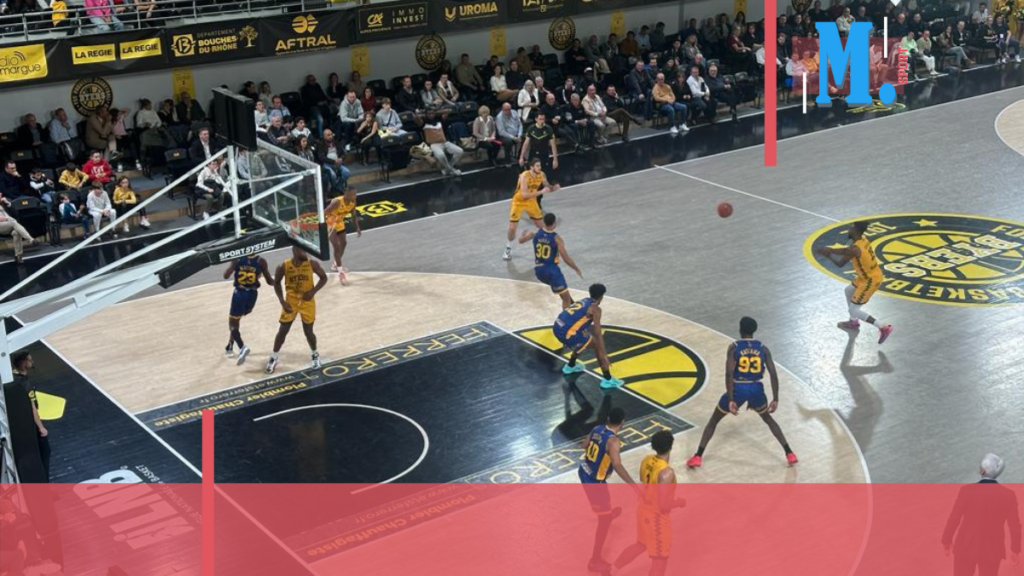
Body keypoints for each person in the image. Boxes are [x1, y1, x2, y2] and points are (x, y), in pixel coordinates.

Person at [685, 316, 798, 468]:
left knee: (713, 421)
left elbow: (729, 374)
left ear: (740, 329)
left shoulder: (734, 347)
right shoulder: (763, 348)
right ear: (754, 330)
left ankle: (698, 456)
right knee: (768, 419)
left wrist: (731, 398)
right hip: (756, 388)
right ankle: (789, 453)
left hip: (739, 387)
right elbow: (773, 374)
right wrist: (775, 398)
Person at [606, 431, 686, 576]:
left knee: (640, 545)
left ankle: (611, 571)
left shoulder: (647, 460)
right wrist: (679, 502)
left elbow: (644, 482)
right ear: (671, 447)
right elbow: (663, 505)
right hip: (657, 519)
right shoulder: (666, 473)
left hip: (643, 510)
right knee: (660, 561)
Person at [578, 407, 641, 574]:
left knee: (604, 509)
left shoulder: (597, 428)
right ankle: (594, 560)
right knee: (604, 521)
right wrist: (635, 487)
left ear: (607, 419)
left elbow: (584, 445)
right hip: (595, 482)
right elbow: (618, 465)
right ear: (622, 422)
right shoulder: (613, 441)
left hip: (583, 471)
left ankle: (606, 513)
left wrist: (596, 451)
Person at [942, 453, 1022, 576]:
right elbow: (1015, 526)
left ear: (981, 470)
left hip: (965, 546)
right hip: (993, 549)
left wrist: (946, 540)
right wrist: (1015, 550)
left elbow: (954, 518)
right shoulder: (1008, 495)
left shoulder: (966, 491)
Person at [817, 221, 893, 343]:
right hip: (867, 276)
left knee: (854, 310)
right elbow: (841, 263)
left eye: (851, 228)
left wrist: (829, 251)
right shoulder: (861, 240)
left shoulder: (855, 249)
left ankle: (883, 327)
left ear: (856, 231)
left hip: (870, 280)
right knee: (848, 291)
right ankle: (853, 322)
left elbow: (843, 252)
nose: (848, 230)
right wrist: (829, 255)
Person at [266, 245, 328, 374]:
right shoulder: (283, 266)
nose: (305, 252)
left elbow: (324, 278)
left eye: (305, 250)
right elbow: (276, 283)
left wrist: (313, 292)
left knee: (308, 331)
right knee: (283, 330)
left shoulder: (312, 263)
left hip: (307, 300)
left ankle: (315, 355)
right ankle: (274, 357)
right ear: (295, 250)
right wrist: (282, 302)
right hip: (291, 301)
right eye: (302, 250)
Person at [554, 283, 623, 388]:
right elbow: (598, 333)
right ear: (601, 296)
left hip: (556, 328)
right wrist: (604, 354)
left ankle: (570, 366)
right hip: (567, 334)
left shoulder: (584, 300)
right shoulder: (596, 309)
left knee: (584, 338)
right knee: (596, 344)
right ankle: (608, 379)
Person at [518, 212, 582, 309]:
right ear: (554, 223)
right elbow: (566, 258)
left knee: (563, 291)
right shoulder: (557, 239)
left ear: (544, 222)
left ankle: (571, 303)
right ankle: (567, 316)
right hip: (551, 271)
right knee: (566, 299)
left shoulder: (534, 234)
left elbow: (520, 241)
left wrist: (522, 235)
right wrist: (576, 268)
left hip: (539, 271)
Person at [224, 253, 274, 364]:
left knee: (232, 323)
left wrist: (233, 265)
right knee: (237, 319)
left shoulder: (237, 259)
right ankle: (230, 345)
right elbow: (270, 281)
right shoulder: (261, 261)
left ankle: (242, 347)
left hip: (240, 293)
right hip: (252, 295)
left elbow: (226, 276)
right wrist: (280, 281)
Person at [504, 158, 558, 261]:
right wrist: (541, 192)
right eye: (537, 166)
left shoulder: (541, 174)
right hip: (518, 202)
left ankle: (547, 248)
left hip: (531, 202)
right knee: (512, 229)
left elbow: (547, 187)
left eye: (540, 165)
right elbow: (524, 194)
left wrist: (553, 188)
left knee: (542, 226)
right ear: (531, 167)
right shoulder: (524, 176)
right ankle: (508, 248)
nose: (539, 167)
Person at [11, 351, 49, 481]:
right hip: (30, 424)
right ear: (23, 363)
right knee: (45, 452)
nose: (32, 362)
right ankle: (44, 482)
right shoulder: (24, 384)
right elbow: (32, 408)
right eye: (30, 360)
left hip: (19, 422)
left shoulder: (12, 377)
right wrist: (41, 427)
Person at [325, 186, 361, 285]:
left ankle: (335, 264)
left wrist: (357, 228)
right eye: (352, 194)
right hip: (330, 222)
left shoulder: (353, 202)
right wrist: (322, 226)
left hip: (339, 222)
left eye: (355, 194)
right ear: (346, 193)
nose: (354, 196)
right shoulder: (337, 202)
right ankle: (341, 273)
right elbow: (324, 212)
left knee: (344, 243)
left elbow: (354, 215)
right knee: (336, 246)